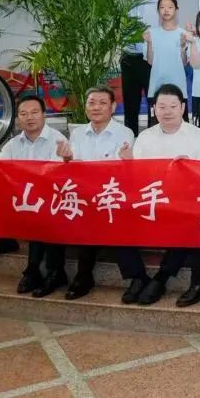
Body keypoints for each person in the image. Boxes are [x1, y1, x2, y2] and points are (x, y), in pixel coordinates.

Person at [125, 84, 200, 308]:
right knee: (116, 218)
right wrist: (127, 163)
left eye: (173, 106)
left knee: (193, 221)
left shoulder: (198, 136)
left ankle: (162, 277)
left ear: (183, 108)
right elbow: (136, 178)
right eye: (162, 106)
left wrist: (191, 168)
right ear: (154, 109)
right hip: (152, 202)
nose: (167, 111)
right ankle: (138, 277)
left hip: (186, 203)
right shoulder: (145, 137)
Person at [0, 94, 67, 295]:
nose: (29, 117)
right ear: (18, 118)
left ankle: (40, 271)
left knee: (41, 213)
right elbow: (0, 172)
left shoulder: (58, 140)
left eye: (34, 112)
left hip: (51, 202)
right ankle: (4, 239)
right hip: (25, 199)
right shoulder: (13, 144)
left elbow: (57, 178)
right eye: (23, 114)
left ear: (44, 114)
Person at [48, 86, 135, 300]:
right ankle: (55, 273)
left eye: (102, 103)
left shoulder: (124, 133)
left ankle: (87, 275)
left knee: (93, 217)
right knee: (52, 213)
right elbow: (73, 168)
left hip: (111, 197)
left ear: (113, 107)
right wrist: (66, 159)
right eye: (92, 103)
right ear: (85, 107)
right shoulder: (77, 133)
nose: (96, 107)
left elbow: (121, 172)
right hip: (83, 197)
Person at [144, 0, 188, 119]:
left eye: (170, 7)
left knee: (181, 127)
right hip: (156, 89)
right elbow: (150, 61)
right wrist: (149, 42)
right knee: (156, 127)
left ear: (176, 10)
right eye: (162, 7)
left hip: (179, 90)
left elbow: (185, 63)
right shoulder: (151, 33)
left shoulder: (183, 34)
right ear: (158, 11)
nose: (166, 10)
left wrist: (183, 47)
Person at [119, 2, 152, 136]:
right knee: (130, 103)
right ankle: (130, 137)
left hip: (150, 57)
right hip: (129, 57)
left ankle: (152, 138)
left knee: (153, 101)